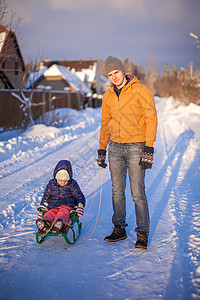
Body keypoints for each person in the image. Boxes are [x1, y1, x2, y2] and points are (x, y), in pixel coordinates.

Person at [96, 56, 157, 249]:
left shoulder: (141, 90)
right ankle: (119, 229)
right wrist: (102, 148)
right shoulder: (108, 97)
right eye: (110, 74)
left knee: (137, 192)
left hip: (136, 146)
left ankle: (142, 232)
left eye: (116, 72)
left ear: (123, 71)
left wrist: (149, 147)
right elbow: (105, 124)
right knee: (116, 191)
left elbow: (151, 118)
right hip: (115, 147)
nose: (113, 77)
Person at [36, 160, 86, 233]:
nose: (62, 183)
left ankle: (59, 225)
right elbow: (46, 195)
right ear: (56, 177)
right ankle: (45, 224)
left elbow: (79, 195)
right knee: (50, 213)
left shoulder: (72, 184)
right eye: (60, 181)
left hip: (67, 205)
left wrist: (80, 205)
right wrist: (42, 207)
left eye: (65, 181)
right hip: (53, 205)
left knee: (63, 213)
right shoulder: (51, 183)